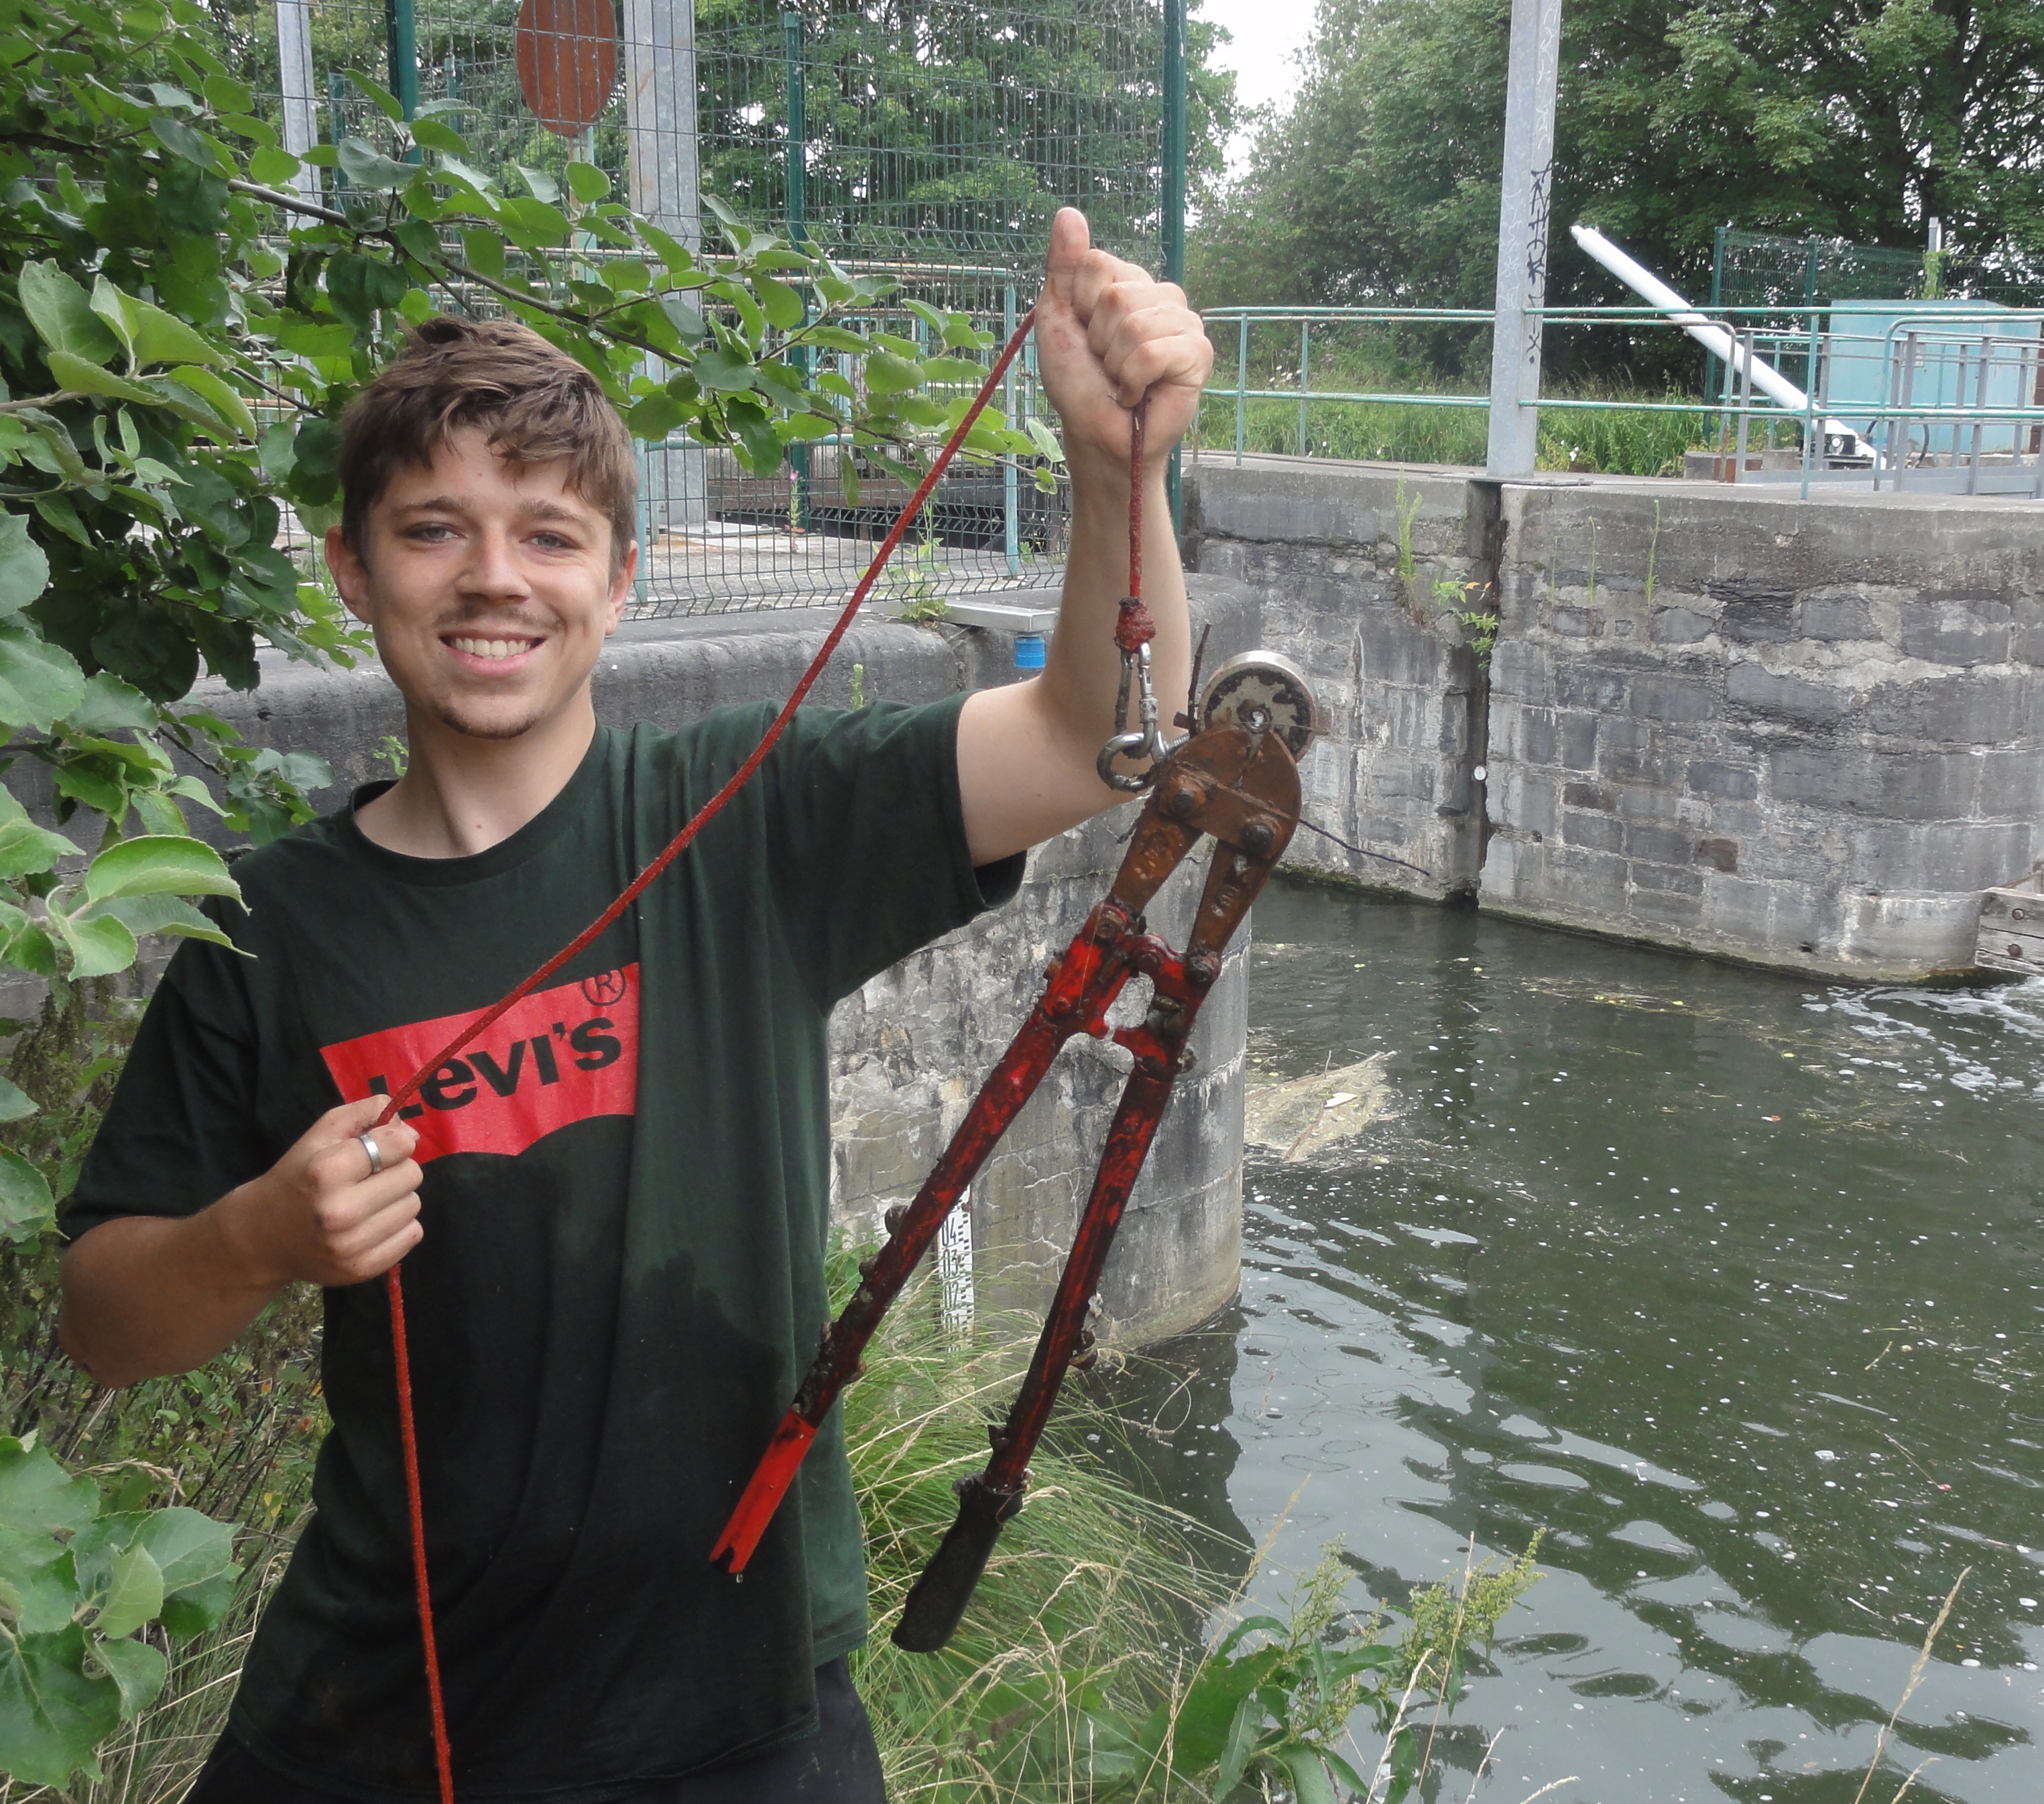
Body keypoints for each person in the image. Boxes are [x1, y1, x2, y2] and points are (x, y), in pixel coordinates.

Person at [55, 207, 1211, 1803]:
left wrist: (1113, 472)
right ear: (349, 566)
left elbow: (1094, 733)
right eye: (432, 529)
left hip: (738, 1719)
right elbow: (108, 1327)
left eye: (545, 533)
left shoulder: (747, 812)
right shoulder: (270, 931)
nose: (492, 579)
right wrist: (256, 1236)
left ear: (620, 571)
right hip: (381, 1717)